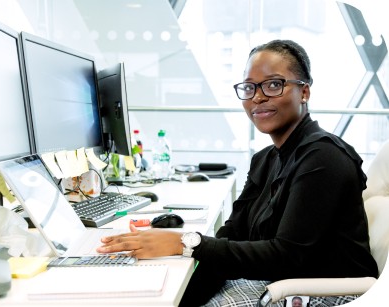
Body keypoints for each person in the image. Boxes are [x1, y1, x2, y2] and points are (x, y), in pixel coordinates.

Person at [96, 39, 378, 306]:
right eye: (249, 87)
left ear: (304, 91)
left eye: (273, 85)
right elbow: (234, 231)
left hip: (321, 292)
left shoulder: (324, 158)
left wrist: (183, 243)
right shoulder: (266, 159)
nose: (258, 98)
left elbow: (287, 256)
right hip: (278, 281)